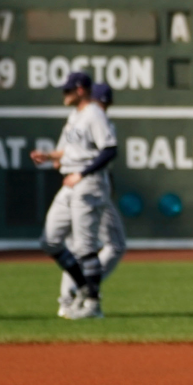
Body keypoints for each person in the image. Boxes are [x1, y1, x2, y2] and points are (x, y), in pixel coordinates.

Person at [30, 72, 118, 320]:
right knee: (50, 241)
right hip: (69, 183)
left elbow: (110, 150)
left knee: (85, 246)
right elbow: (67, 151)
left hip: (87, 183)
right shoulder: (75, 116)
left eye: (68, 90)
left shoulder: (94, 114)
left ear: (81, 90)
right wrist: (49, 157)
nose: (64, 94)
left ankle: (93, 304)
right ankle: (82, 287)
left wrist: (82, 173)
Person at [56, 83, 126, 316]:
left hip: (77, 186)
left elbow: (60, 156)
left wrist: (54, 158)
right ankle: (80, 290)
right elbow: (108, 152)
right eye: (100, 102)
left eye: (104, 103)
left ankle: (69, 297)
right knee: (107, 245)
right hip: (90, 187)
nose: (102, 107)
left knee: (78, 246)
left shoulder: (77, 121)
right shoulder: (91, 121)